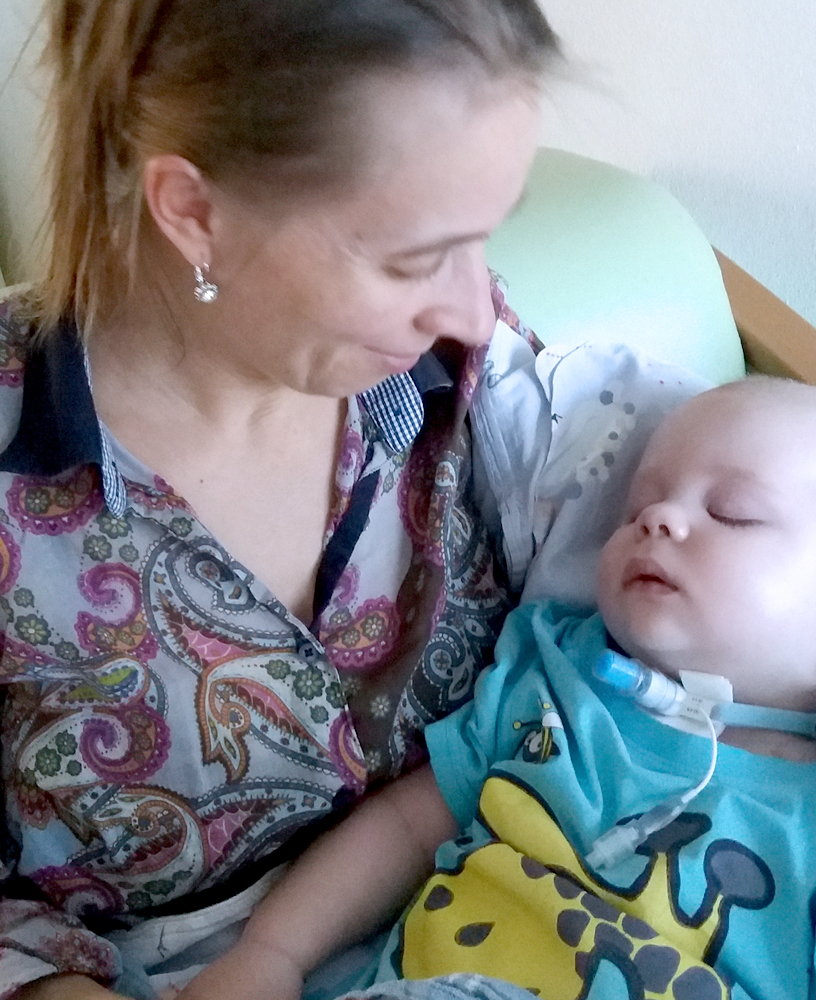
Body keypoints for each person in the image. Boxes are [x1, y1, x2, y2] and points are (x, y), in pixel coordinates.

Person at [0, 2, 562, 999]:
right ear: (195, 212)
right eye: (412, 259)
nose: (478, 311)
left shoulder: (466, 380)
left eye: (483, 239)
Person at [186, 377, 816, 1000]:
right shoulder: (557, 678)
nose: (661, 518)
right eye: (639, 505)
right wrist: (272, 953)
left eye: (732, 513)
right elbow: (404, 829)